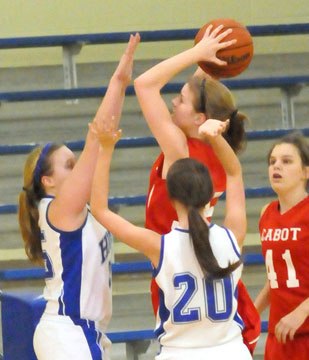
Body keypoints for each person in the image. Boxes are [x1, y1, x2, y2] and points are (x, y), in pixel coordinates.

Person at [133, 24, 260, 353]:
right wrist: (205, 63)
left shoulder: (180, 148)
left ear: (200, 116)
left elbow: (145, 85)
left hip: (174, 269)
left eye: (181, 99)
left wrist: (197, 54)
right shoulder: (216, 151)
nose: (173, 102)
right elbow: (201, 98)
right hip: (204, 270)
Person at [18, 34, 140, 360]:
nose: (79, 170)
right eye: (69, 166)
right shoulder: (58, 210)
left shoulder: (73, 209)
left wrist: (121, 83)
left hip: (83, 330)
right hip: (65, 331)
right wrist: (118, 82)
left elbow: (100, 141)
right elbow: (96, 140)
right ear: (49, 181)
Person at [90, 115, 252, 359]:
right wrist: (215, 138)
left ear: (171, 197)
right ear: (210, 195)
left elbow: (100, 210)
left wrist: (106, 148)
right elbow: (234, 172)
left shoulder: (159, 246)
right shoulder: (232, 236)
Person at [255, 132, 309, 360]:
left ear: (306, 172)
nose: (277, 166)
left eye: (286, 161)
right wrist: (250, 314)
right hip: (280, 337)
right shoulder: (265, 214)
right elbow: (276, 278)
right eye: (272, 161)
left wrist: (302, 312)